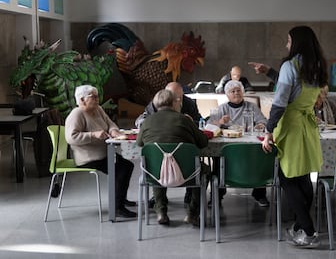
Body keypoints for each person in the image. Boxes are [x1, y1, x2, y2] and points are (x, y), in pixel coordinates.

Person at [261, 26, 328, 248]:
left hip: (290, 125)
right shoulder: (317, 67)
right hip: (308, 125)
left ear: (297, 43)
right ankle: (299, 227)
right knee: (303, 177)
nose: (286, 45)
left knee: (287, 177)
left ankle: (308, 231)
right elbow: (297, 87)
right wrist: (270, 72)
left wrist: (269, 130)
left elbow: (281, 101)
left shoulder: (290, 66)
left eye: (288, 41)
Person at [137, 89, 209, 226]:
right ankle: (192, 213)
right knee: (204, 170)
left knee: (155, 166)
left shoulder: (147, 121)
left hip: (155, 173)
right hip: (188, 174)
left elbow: (140, 143)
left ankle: (161, 211)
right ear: (174, 103)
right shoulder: (184, 120)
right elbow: (203, 142)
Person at [65, 85, 136, 218]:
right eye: (93, 97)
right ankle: (117, 207)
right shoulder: (77, 113)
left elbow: (110, 124)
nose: (97, 99)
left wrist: (114, 131)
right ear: (82, 100)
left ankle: (120, 199)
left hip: (104, 154)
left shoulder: (98, 110)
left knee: (127, 166)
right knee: (121, 169)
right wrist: (93, 135)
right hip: (89, 157)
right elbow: (71, 137)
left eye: (97, 96)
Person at [208, 79, 269, 207]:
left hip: (248, 143)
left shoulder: (251, 106)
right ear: (227, 95)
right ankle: (217, 195)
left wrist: (260, 125)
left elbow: (264, 121)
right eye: (233, 91)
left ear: (243, 92)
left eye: (238, 91)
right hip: (229, 145)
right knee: (218, 160)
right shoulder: (222, 108)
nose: (236, 93)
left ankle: (259, 194)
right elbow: (209, 126)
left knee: (262, 153)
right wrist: (220, 122)